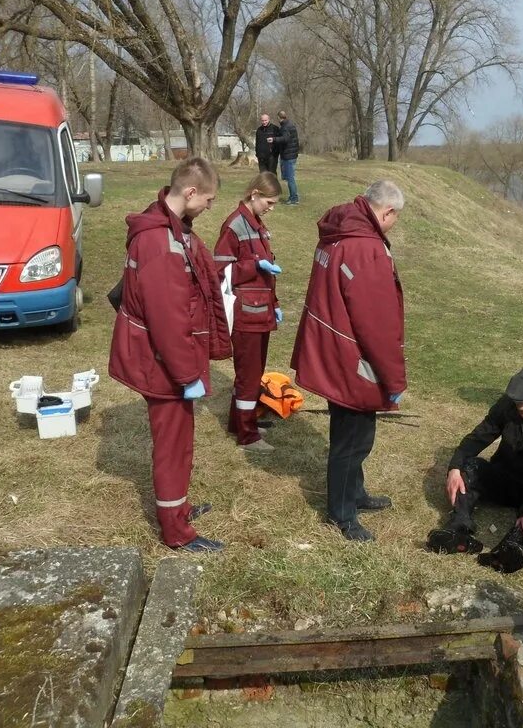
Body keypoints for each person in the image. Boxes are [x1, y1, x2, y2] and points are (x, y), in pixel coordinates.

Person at [109, 157, 231, 552]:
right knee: (172, 444)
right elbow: (166, 318)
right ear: (190, 192)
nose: (210, 208)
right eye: (208, 200)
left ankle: (178, 507)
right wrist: (185, 375)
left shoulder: (172, 231)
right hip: (163, 365)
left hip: (171, 362)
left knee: (180, 439)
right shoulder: (160, 243)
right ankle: (175, 531)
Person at [291, 180, 406, 541]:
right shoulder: (366, 250)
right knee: (352, 439)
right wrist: (394, 380)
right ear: (386, 212)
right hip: (351, 358)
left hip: (331, 349)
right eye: (394, 219)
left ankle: (355, 492)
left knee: (354, 430)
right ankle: (342, 513)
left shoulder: (337, 232)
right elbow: (377, 325)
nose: (393, 225)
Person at [426, 367, 523, 559]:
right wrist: (455, 468)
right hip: (505, 475)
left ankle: (510, 549)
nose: (521, 407)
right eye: (517, 402)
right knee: (471, 467)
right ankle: (458, 530)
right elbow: (480, 435)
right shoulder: (507, 405)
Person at [213, 171, 283, 452]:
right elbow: (219, 270)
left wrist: (275, 304)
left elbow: (267, 274)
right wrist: (253, 267)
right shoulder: (234, 226)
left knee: (254, 372)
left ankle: (241, 420)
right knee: (248, 374)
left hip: (261, 311)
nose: (271, 208)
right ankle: (246, 434)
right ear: (254, 194)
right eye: (269, 202)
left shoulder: (257, 225)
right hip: (246, 313)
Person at [274, 110, 300, 205]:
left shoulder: (285, 127)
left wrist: (274, 139)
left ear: (279, 117)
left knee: (290, 178)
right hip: (291, 155)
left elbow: (285, 139)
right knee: (289, 177)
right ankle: (293, 196)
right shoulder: (290, 124)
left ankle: (294, 198)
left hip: (288, 156)